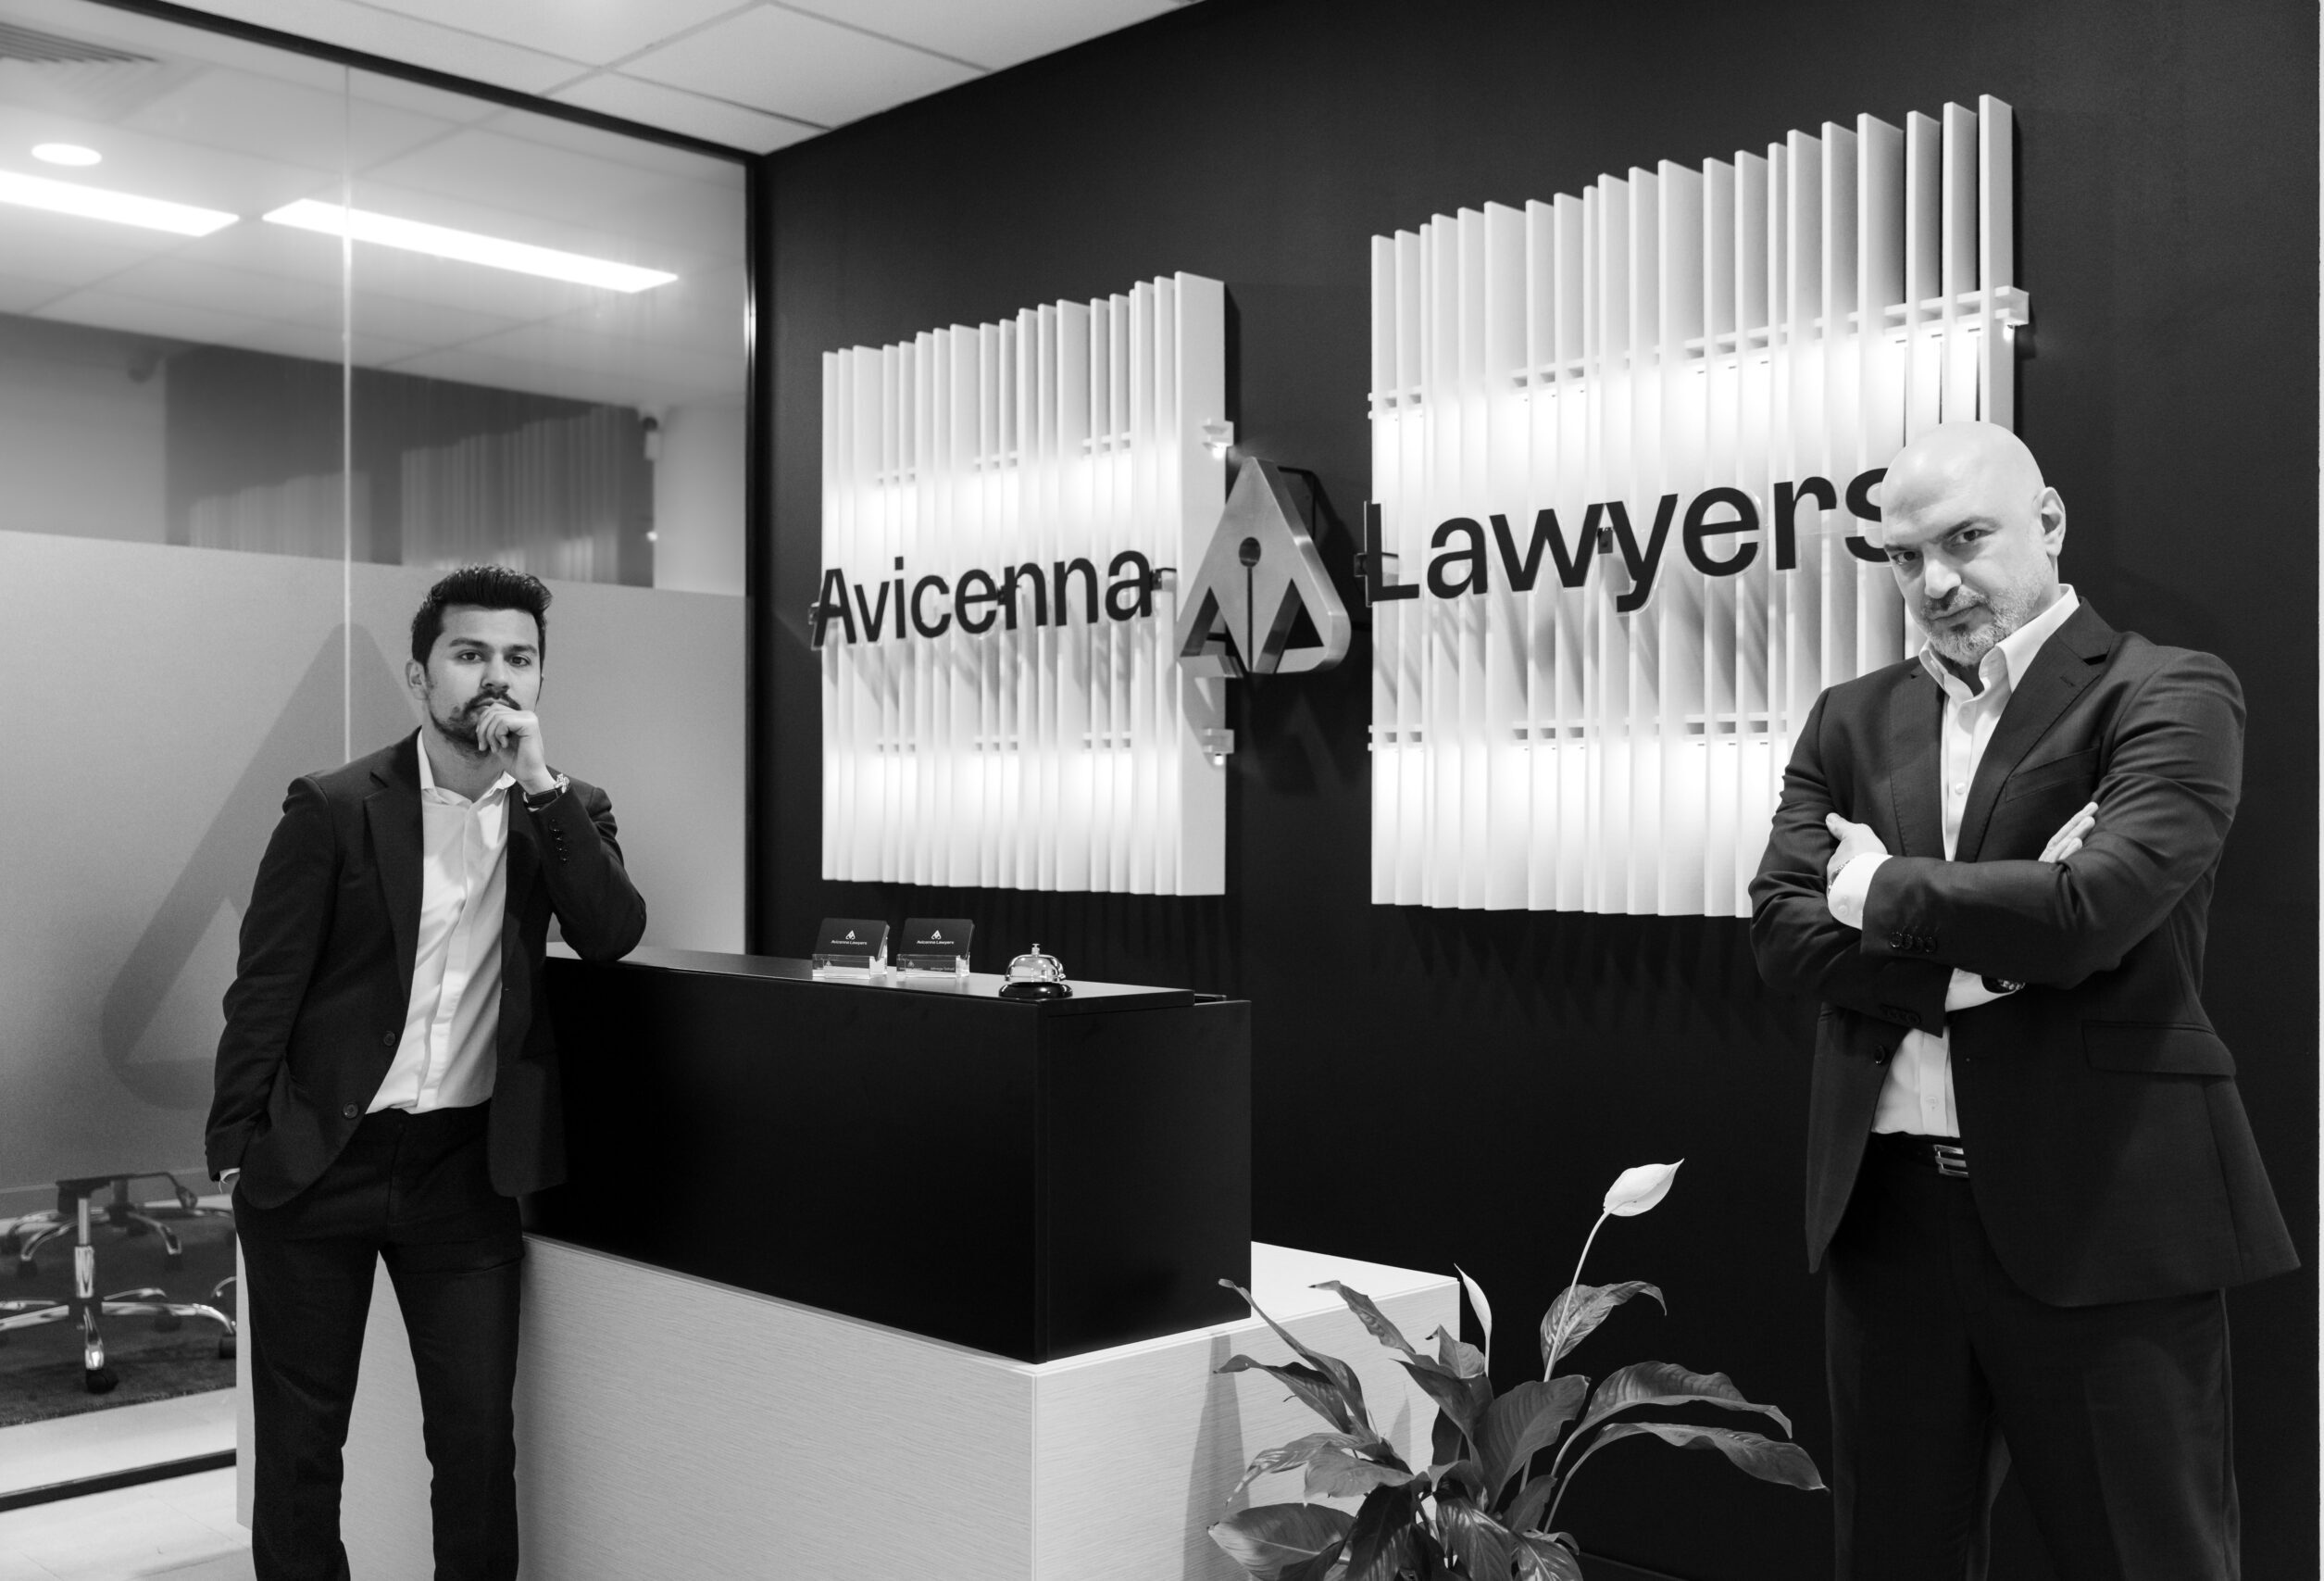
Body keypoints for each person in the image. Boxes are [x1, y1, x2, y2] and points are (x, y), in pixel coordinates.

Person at [1748, 421, 2293, 1581]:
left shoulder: (2167, 691)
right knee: (1890, 1560)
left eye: (1965, 539)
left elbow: (2091, 909)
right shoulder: (1848, 718)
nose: (1934, 582)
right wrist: (1998, 953)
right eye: (1903, 557)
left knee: (2144, 1559)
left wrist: (1874, 889)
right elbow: (1783, 933)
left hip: (2099, 1211)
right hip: (1887, 1220)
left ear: (2046, 524)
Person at [207, 565, 647, 1581]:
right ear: (420, 676)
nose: (496, 677)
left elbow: (612, 931)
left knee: (475, 1445)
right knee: (302, 1449)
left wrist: (539, 784)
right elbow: (264, 988)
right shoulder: (333, 807)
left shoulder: (565, 808)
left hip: (463, 1170)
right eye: (470, 653)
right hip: (317, 1162)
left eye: (519, 658)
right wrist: (235, 1146)